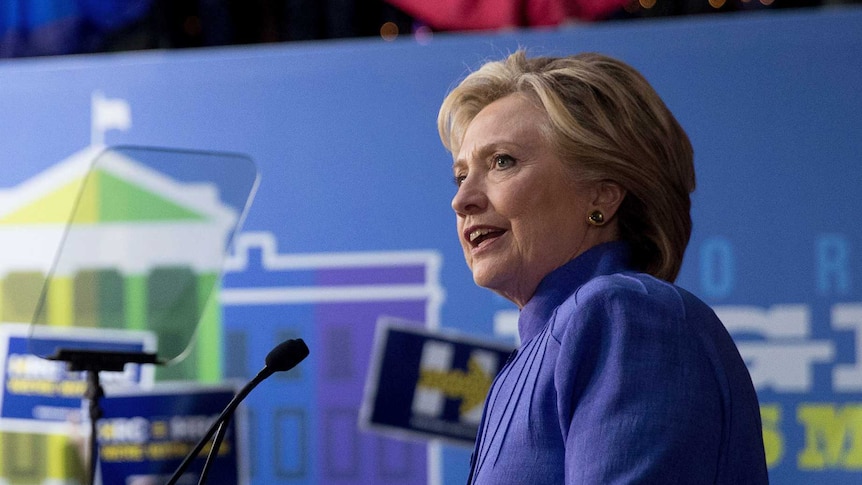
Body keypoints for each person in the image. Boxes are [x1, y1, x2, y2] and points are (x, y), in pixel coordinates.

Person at [437, 50, 768, 484]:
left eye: (502, 162)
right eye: (461, 175)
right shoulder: (532, 357)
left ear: (602, 197)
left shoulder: (624, 315)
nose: (462, 201)